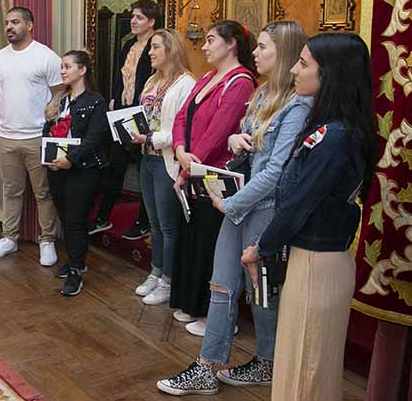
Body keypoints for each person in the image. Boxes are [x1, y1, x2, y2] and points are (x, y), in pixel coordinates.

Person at [156, 21, 309, 396]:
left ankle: (267, 360)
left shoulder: (298, 104)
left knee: (261, 292)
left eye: (261, 47)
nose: (254, 53)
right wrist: (237, 139)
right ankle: (207, 366)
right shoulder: (261, 94)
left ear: (284, 53)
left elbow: (276, 171)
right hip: (239, 204)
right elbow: (240, 137)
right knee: (221, 284)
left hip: (264, 208)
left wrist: (231, 202)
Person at [241, 33, 376, 401]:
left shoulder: (334, 137)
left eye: (304, 63)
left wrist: (261, 246)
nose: (295, 71)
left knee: (305, 372)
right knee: (302, 368)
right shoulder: (332, 129)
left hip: (318, 262)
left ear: (329, 74)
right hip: (313, 258)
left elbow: (298, 203)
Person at [169, 20, 257, 329]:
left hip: (215, 175)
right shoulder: (207, 76)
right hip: (192, 167)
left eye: (210, 40)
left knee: (212, 243)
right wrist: (180, 149)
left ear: (231, 43)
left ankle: (218, 317)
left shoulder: (241, 81)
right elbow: (182, 117)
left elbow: (218, 134)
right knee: (194, 237)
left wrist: (186, 168)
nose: (204, 46)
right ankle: (191, 304)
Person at [0, 6, 63, 265]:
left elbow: (60, 95)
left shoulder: (46, 57)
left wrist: (41, 121)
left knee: (43, 192)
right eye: (6, 22)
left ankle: (48, 241)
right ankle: (9, 238)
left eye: (15, 22)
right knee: (11, 190)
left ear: (29, 25)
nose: (9, 27)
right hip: (5, 136)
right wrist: (11, 115)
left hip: (37, 137)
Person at [130, 29, 195, 306]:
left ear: (171, 49)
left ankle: (169, 280)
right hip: (146, 157)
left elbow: (184, 131)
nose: (150, 52)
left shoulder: (186, 84)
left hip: (166, 160)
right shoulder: (151, 80)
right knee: (154, 223)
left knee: (168, 226)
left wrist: (152, 138)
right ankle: (156, 271)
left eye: (155, 47)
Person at [89, 0, 157, 239]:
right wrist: (114, 101)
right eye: (133, 16)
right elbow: (119, 78)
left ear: (151, 21)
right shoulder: (126, 46)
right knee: (115, 165)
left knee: (142, 168)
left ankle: (144, 220)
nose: (134, 21)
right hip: (122, 111)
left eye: (139, 17)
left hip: (143, 115)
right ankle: (103, 217)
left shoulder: (155, 47)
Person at [43, 50, 109, 296]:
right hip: (56, 168)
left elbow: (94, 139)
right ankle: (73, 260)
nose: (62, 71)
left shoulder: (95, 101)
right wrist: (49, 158)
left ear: (82, 70)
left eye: (67, 66)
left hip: (82, 169)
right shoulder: (59, 99)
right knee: (64, 216)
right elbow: (47, 131)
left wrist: (70, 160)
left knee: (75, 220)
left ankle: (77, 271)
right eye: (61, 66)